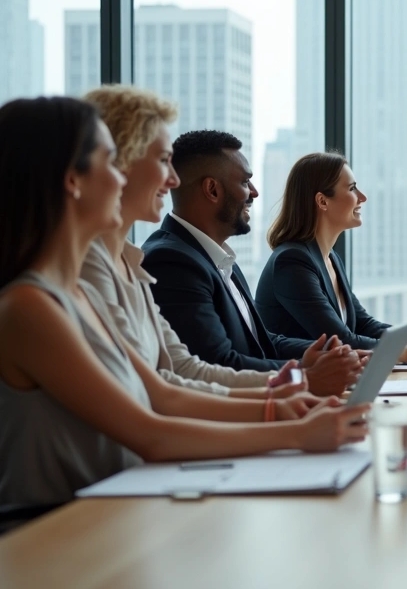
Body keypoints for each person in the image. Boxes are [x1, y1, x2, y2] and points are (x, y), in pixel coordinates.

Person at [0, 97, 369, 509]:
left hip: (117, 512)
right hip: (60, 531)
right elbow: (151, 431)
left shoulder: (82, 292)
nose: (123, 180)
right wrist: (291, 425)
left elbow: (165, 390)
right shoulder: (29, 306)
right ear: (73, 179)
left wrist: (285, 404)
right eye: (110, 162)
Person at [80, 85, 324, 400]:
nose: (173, 180)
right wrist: (298, 386)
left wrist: (304, 374)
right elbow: (160, 398)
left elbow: (182, 371)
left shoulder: (134, 262)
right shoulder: (163, 260)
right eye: (164, 160)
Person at [141, 130, 361, 395]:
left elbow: (263, 341)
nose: (254, 193)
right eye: (246, 182)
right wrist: (304, 372)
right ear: (212, 189)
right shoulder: (172, 262)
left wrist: (328, 355)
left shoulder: (218, 257)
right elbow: (219, 363)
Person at [255, 152, 407, 363]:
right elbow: (340, 339)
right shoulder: (292, 262)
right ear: (322, 201)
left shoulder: (331, 259)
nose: (363, 197)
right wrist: (403, 351)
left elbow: (363, 324)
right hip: (303, 385)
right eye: (352, 189)